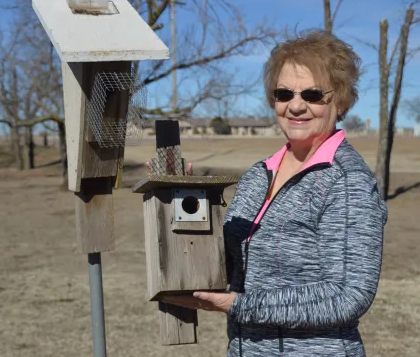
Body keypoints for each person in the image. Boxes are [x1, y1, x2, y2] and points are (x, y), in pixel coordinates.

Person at [161, 29, 388, 357]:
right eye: (284, 94)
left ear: (339, 100)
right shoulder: (258, 175)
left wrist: (239, 304)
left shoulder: (347, 182)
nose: (296, 106)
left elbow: (347, 296)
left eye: (312, 95)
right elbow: (229, 263)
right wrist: (189, 206)